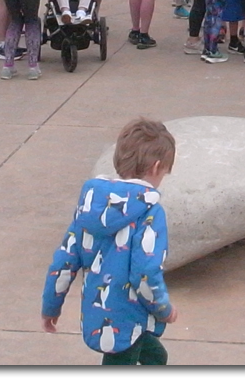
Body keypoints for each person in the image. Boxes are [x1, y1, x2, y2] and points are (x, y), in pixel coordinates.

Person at [41, 118, 177, 364]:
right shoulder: (150, 212)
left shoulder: (90, 206)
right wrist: (163, 308)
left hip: (99, 310)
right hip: (128, 317)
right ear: (157, 167)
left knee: (156, 357)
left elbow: (64, 261)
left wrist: (51, 306)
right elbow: (145, 272)